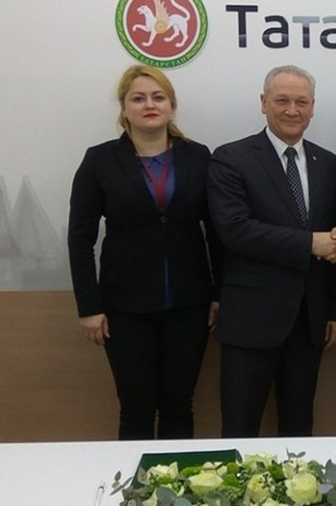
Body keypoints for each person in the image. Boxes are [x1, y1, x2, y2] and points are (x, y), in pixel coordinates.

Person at [68, 64, 222, 440]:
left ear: (172, 106)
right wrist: (89, 307)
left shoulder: (199, 157)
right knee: (136, 409)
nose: (149, 105)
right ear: (124, 108)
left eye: (158, 97)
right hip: (124, 308)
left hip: (188, 304)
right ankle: (136, 480)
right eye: (138, 98)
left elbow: (217, 234)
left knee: (179, 406)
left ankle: (179, 480)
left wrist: (219, 293)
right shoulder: (99, 160)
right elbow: (80, 239)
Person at [208, 65, 336, 437]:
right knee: (240, 428)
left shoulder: (328, 163)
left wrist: (335, 309)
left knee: (299, 429)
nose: (292, 110)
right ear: (263, 102)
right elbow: (235, 230)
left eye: (301, 102)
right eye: (282, 100)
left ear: (313, 107)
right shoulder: (231, 158)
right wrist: (310, 243)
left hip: (309, 320)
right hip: (250, 320)